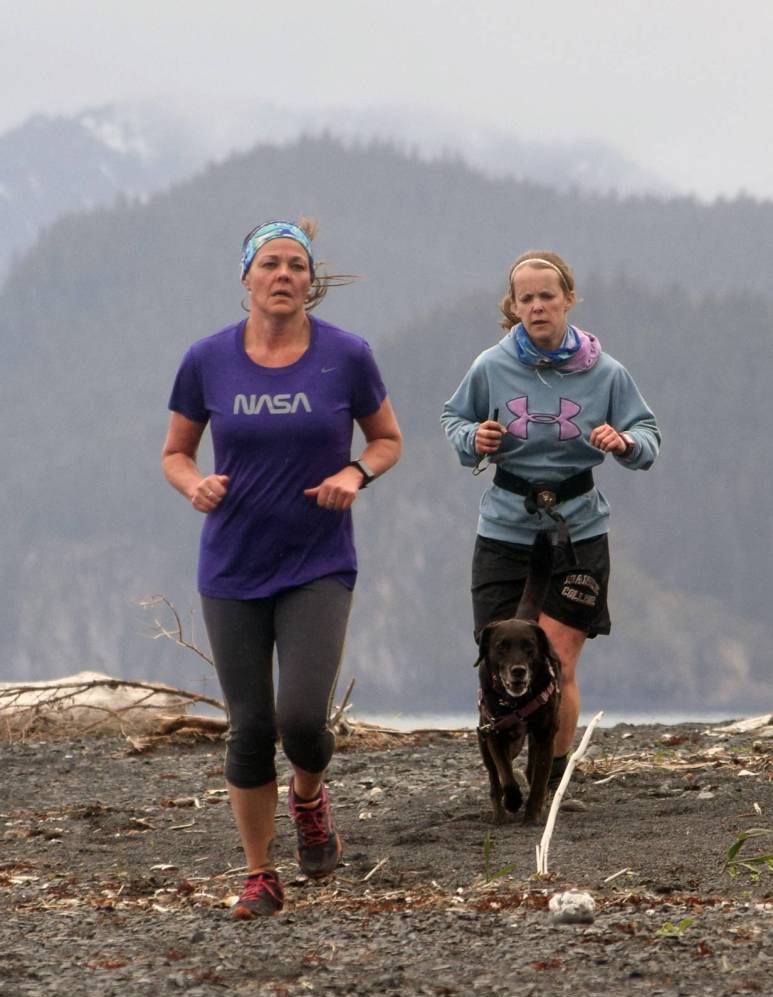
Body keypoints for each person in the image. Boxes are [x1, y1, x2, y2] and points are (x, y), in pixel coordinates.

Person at [162, 219, 402, 918]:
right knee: (248, 726)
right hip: (232, 566)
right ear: (246, 278)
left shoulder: (347, 356)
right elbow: (176, 451)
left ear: (310, 281)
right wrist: (192, 484)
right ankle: (260, 873)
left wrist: (356, 472)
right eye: (270, 263)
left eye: (296, 265)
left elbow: (386, 439)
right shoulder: (207, 359)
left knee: (300, 719)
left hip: (317, 562)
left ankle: (308, 798)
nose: (284, 275)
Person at [441, 250, 660, 791]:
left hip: (578, 529)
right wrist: (475, 439)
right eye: (526, 298)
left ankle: (552, 781)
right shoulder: (490, 366)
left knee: (556, 660)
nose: (537, 306)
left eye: (547, 296)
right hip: (504, 529)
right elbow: (455, 419)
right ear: (513, 307)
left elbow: (649, 438)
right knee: (500, 654)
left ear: (568, 300)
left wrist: (625, 441)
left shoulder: (606, 372)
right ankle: (503, 771)